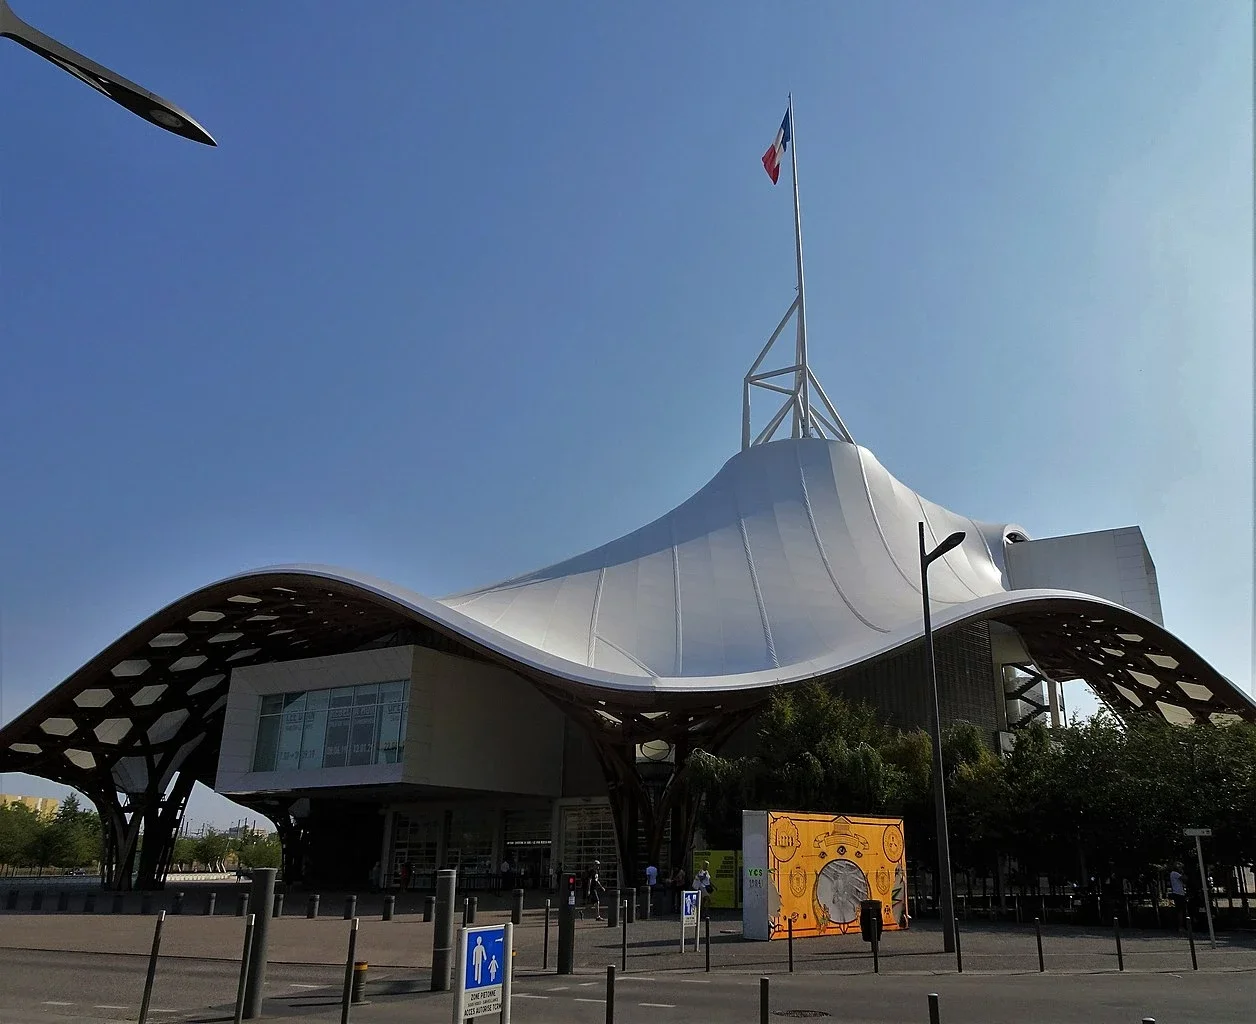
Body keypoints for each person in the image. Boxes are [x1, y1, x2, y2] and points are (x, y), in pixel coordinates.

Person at [1169, 863, 1187, 932]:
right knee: (1180, 910)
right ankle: (1180, 926)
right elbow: (1184, 878)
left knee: (1180, 910)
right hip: (1179, 893)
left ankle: (1181, 925)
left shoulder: (1173, 874)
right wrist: (1183, 872)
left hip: (1178, 893)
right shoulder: (1175, 874)